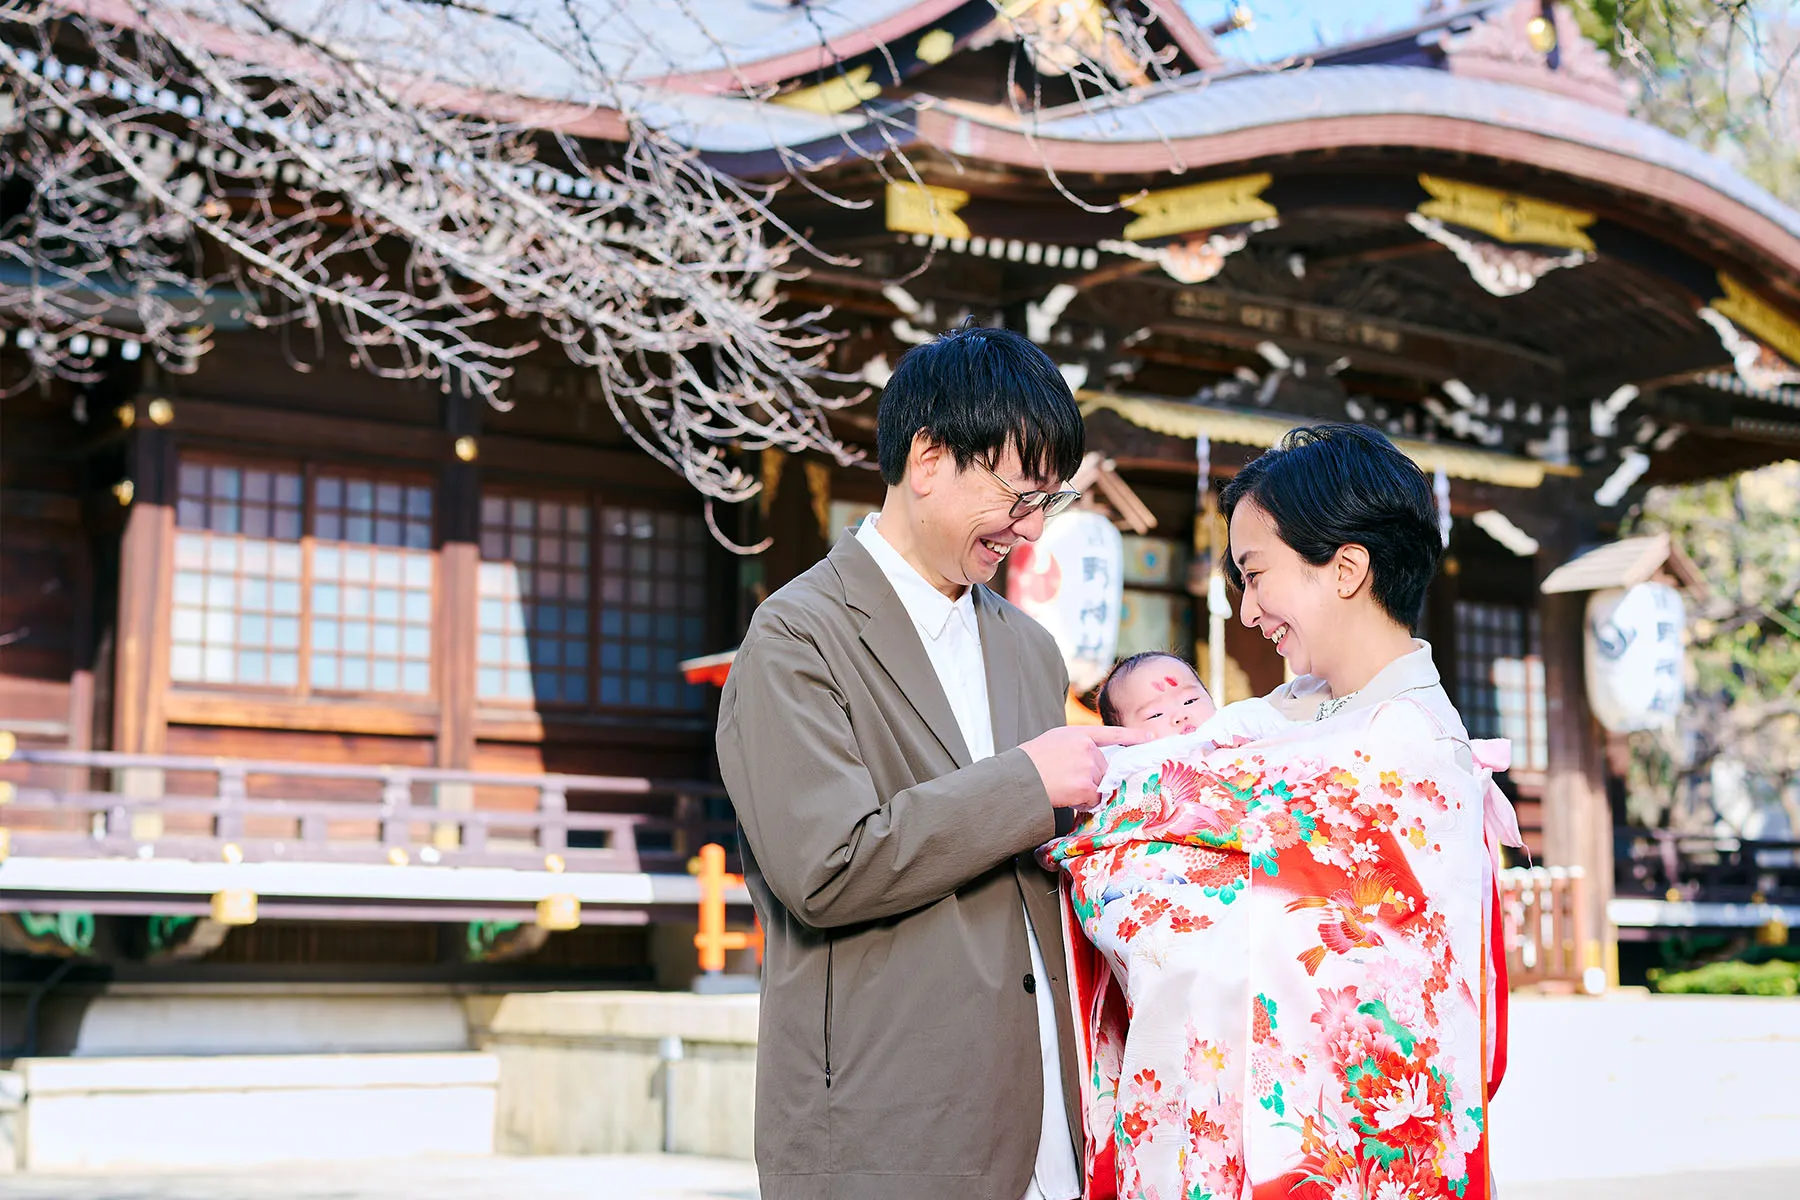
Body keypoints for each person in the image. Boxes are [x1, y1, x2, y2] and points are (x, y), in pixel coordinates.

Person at [716, 324, 1146, 1200]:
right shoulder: (798, 637)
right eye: (1019, 497)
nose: (1028, 533)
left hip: (1046, 1120)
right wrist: (1031, 781)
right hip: (889, 1126)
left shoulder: (1029, 649)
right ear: (928, 458)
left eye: (1046, 504)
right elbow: (827, 867)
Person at [1042, 424, 1520, 1200]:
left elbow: (1175, 880)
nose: (1247, 610)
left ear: (1348, 569)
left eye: (1256, 574)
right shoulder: (1297, 716)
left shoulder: (1405, 750)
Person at [1091, 651, 1294, 798]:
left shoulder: (1233, 722)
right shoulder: (1125, 762)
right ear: (1123, 738)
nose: (1181, 715)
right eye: (1156, 714)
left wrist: (1249, 749)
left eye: (1190, 701)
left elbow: (1289, 743)